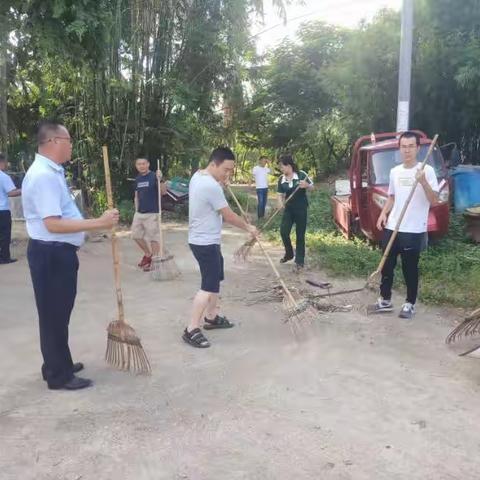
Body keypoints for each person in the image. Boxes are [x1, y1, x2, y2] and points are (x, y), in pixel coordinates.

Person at [22, 120, 119, 390]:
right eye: (69, 140)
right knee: (54, 313)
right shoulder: (42, 175)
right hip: (51, 254)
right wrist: (99, 223)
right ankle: (58, 375)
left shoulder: (51, 171)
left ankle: (57, 363)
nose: (71, 145)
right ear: (53, 142)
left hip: (55, 253)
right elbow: (52, 223)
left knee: (58, 313)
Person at [183, 147, 258, 348]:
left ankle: (212, 316)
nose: (228, 174)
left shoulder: (198, 176)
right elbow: (228, 216)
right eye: (225, 170)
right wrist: (248, 227)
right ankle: (191, 329)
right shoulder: (210, 186)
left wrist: (221, 182)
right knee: (208, 285)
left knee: (216, 278)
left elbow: (212, 198)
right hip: (204, 242)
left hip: (205, 240)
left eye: (231, 171)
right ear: (214, 164)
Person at [375, 131, 439, 319]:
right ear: (399, 148)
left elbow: (434, 201)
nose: (407, 150)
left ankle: (410, 303)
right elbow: (392, 197)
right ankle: (385, 299)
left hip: (413, 229)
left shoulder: (426, 170)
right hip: (393, 226)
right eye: (404, 146)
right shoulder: (395, 171)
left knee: (409, 268)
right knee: (387, 264)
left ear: (418, 148)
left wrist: (423, 182)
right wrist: (383, 213)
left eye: (411, 146)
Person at [277, 154, 314, 271]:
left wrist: (306, 185)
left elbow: (313, 187)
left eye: (282, 166)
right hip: (289, 209)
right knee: (284, 231)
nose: (281, 169)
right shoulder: (281, 179)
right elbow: (279, 194)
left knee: (300, 235)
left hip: (301, 208)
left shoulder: (302, 175)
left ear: (289, 166)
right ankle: (289, 254)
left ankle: (299, 261)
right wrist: (280, 203)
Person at [131, 158, 164, 271]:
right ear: (136, 166)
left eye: (144, 163)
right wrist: (136, 210)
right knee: (135, 235)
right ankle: (148, 254)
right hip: (139, 213)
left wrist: (161, 179)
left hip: (152, 213)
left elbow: (163, 192)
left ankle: (155, 260)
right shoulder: (137, 179)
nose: (141, 166)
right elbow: (136, 196)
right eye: (139, 164)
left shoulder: (155, 176)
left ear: (148, 164)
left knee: (154, 238)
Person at [0, 154, 21, 264]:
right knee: (4, 234)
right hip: (2, 210)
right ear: (1, 162)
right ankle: (4, 257)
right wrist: (25, 189)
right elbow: (11, 192)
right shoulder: (3, 176)